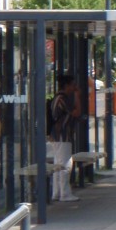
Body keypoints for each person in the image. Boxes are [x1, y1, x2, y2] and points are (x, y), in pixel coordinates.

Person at [49, 74, 81, 202]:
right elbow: (76, 112)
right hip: (63, 134)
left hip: (57, 135)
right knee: (66, 163)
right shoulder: (62, 99)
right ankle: (65, 193)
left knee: (58, 163)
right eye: (73, 85)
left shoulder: (57, 98)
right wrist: (77, 96)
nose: (74, 87)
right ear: (67, 85)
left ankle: (56, 192)